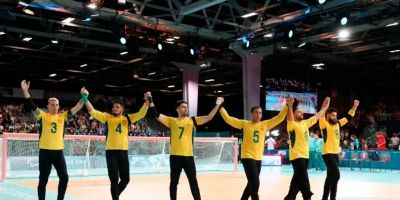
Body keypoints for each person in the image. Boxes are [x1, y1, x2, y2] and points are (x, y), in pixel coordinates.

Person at [147, 94, 223, 200]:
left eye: (187, 107)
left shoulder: (192, 121)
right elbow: (154, 113)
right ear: (177, 109)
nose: (186, 108)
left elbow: (209, 117)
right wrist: (150, 99)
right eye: (183, 107)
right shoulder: (171, 120)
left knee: (193, 182)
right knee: (174, 182)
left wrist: (217, 105)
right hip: (175, 157)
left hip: (188, 157)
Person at [81, 88, 150, 200]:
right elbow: (92, 111)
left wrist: (147, 100)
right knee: (114, 179)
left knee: (126, 179)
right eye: (113, 107)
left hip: (123, 151)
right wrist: (85, 98)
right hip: (111, 152)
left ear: (122, 109)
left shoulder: (127, 118)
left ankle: (115, 196)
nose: (115, 108)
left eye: (117, 107)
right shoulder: (107, 117)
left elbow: (141, 114)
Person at [21, 80, 84, 200]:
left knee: (64, 177)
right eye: (52, 104)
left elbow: (78, 106)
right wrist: (25, 91)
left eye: (57, 105)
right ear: (48, 106)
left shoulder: (63, 116)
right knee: (43, 180)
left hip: (58, 152)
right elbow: (31, 104)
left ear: (59, 106)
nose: (55, 107)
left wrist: (84, 97)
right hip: (45, 152)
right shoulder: (42, 116)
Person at [220, 98, 290, 200]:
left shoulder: (265, 124)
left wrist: (287, 106)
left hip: (258, 157)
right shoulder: (244, 124)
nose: (259, 115)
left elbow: (279, 118)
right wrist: (220, 107)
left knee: (252, 182)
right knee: (255, 182)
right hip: (247, 156)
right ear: (252, 113)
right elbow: (229, 119)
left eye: (260, 113)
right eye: (256, 113)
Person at [284, 97, 330, 200]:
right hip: (296, 156)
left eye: (302, 112)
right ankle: (307, 195)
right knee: (304, 178)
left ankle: (289, 197)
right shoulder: (291, 125)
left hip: (305, 155)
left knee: (297, 178)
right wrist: (290, 106)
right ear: (294, 113)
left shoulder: (305, 123)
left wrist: (325, 107)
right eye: (299, 112)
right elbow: (289, 118)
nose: (302, 114)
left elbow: (317, 115)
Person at [319, 100, 359, 200]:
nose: (335, 117)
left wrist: (354, 106)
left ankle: (325, 198)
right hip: (327, 154)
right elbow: (321, 113)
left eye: (336, 115)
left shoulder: (338, 124)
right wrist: (325, 104)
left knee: (330, 177)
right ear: (328, 116)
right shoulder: (324, 124)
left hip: (336, 154)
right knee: (336, 175)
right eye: (333, 115)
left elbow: (348, 117)